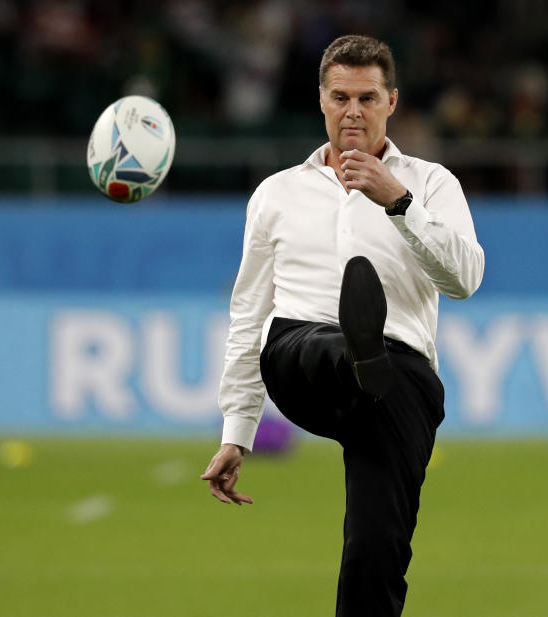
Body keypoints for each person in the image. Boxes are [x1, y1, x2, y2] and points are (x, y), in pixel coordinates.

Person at [200, 34, 485, 617]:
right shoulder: (277, 193)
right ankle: (352, 349)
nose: (353, 110)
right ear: (322, 101)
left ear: (392, 102)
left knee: (376, 552)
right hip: (300, 356)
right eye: (341, 97)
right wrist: (238, 428)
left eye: (367, 97)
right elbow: (250, 312)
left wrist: (398, 202)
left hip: (397, 377)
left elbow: (465, 279)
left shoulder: (431, 184)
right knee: (315, 341)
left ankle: (363, 354)